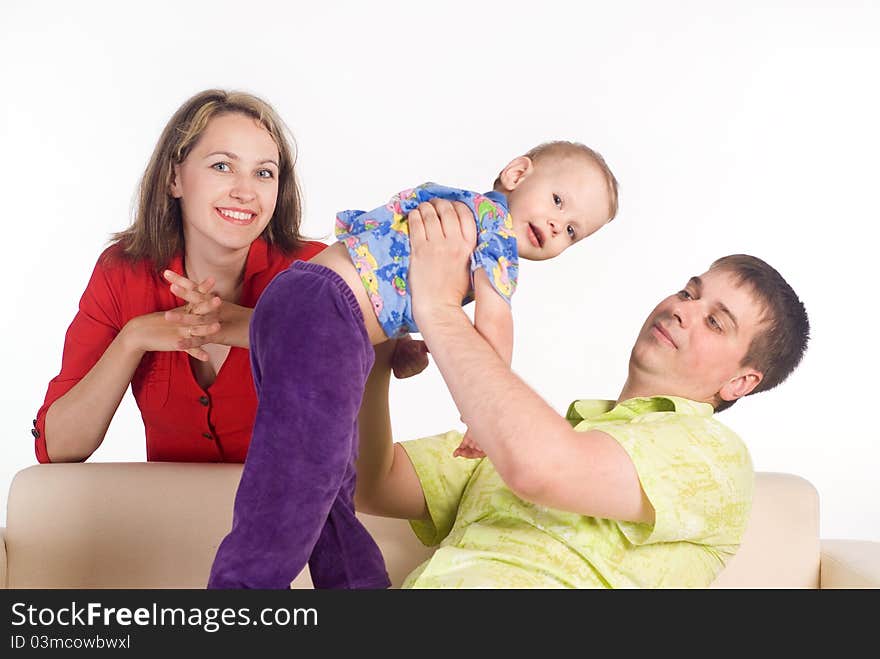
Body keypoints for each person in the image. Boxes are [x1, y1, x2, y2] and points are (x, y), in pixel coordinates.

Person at [206, 141, 619, 589]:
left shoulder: (456, 212)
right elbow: (495, 323)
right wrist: (486, 412)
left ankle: (356, 584)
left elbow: (385, 269)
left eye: (573, 231)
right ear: (517, 174)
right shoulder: (495, 230)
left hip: (306, 304)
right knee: (299, 483)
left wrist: (391, 338)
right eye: (558, 201)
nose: (557, 225)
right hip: (327, 314)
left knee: (328, 480)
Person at [353, 198, 811, 588]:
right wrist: (382, 337)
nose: (681, 311)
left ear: (740, 382)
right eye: (688, 293)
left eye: (715, 322)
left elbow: (542, 468)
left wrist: (437, 305)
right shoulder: (533, 430)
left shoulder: (715, 456)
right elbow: (372, 484)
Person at [33, 89, 325, 465]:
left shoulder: (316, 272)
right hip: (174, 516)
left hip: (294, 515)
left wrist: (252, 326)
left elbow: (362, 359)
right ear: (175, 179)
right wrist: (133, 339)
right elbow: (58, 448)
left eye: (264, 173)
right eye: (222, 166)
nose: (245, 191)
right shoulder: (122, 272)